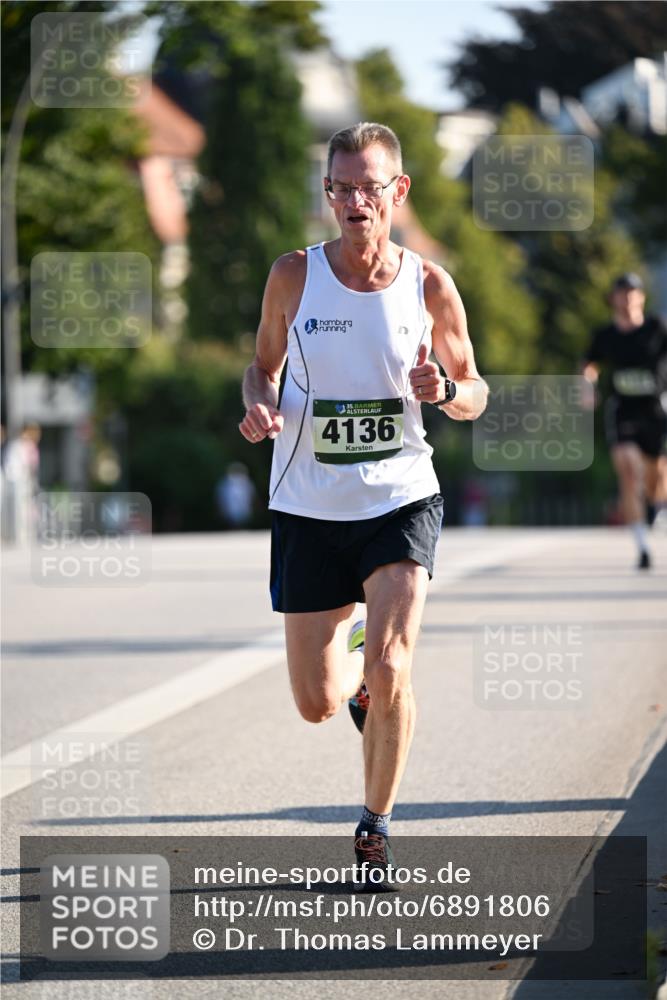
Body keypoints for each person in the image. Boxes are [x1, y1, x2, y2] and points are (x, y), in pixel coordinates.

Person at [238, 122, 487, 888]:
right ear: (327, 195)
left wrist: (443, 391)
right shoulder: (292, 277)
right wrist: (259, 407)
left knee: (394, 665)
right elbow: (259, 368)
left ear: (397, 192)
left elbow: (475, 389)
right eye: (340, 188)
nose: (354, 201)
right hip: (309, 507)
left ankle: (374, 827)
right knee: (318, 703)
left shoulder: (429, 285)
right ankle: (357, 668)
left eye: (368, 187)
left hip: (399, 499)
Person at [583, 273, 667, 570]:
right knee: (629, 472)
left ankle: (656, 505)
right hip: (622, 410)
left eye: (633, 292)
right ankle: (642, 545)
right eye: (622, 292)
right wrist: (587, 384)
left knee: (657, 479)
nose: (628, 297)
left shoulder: (658, 328)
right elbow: (588, 364)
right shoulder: (605, 336)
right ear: (614, 299)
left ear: (641, 297)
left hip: (655, 410)